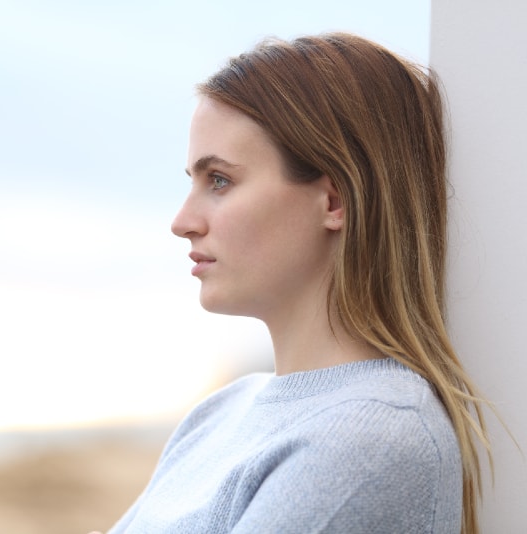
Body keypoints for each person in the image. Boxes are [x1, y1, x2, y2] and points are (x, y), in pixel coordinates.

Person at [92, 32, 492, 534]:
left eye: (219, 180)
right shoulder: (219, 415)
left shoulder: (373, 437)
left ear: (334, 201)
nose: (183, 220)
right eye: (192, 181)